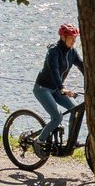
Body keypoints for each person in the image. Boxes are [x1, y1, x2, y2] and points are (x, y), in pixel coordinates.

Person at [33, 23, 84, 153]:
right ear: (63, 37)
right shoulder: (53, 51)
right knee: (57, 117)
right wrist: (62, 88)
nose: (74, 41)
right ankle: (39, 141)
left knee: (75, 110)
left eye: (75, 39)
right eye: (71, 38)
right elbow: (54, 71)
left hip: (56, 89)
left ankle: (71, 141)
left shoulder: (72, 52)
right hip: (43, 88)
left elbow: (82, 66)